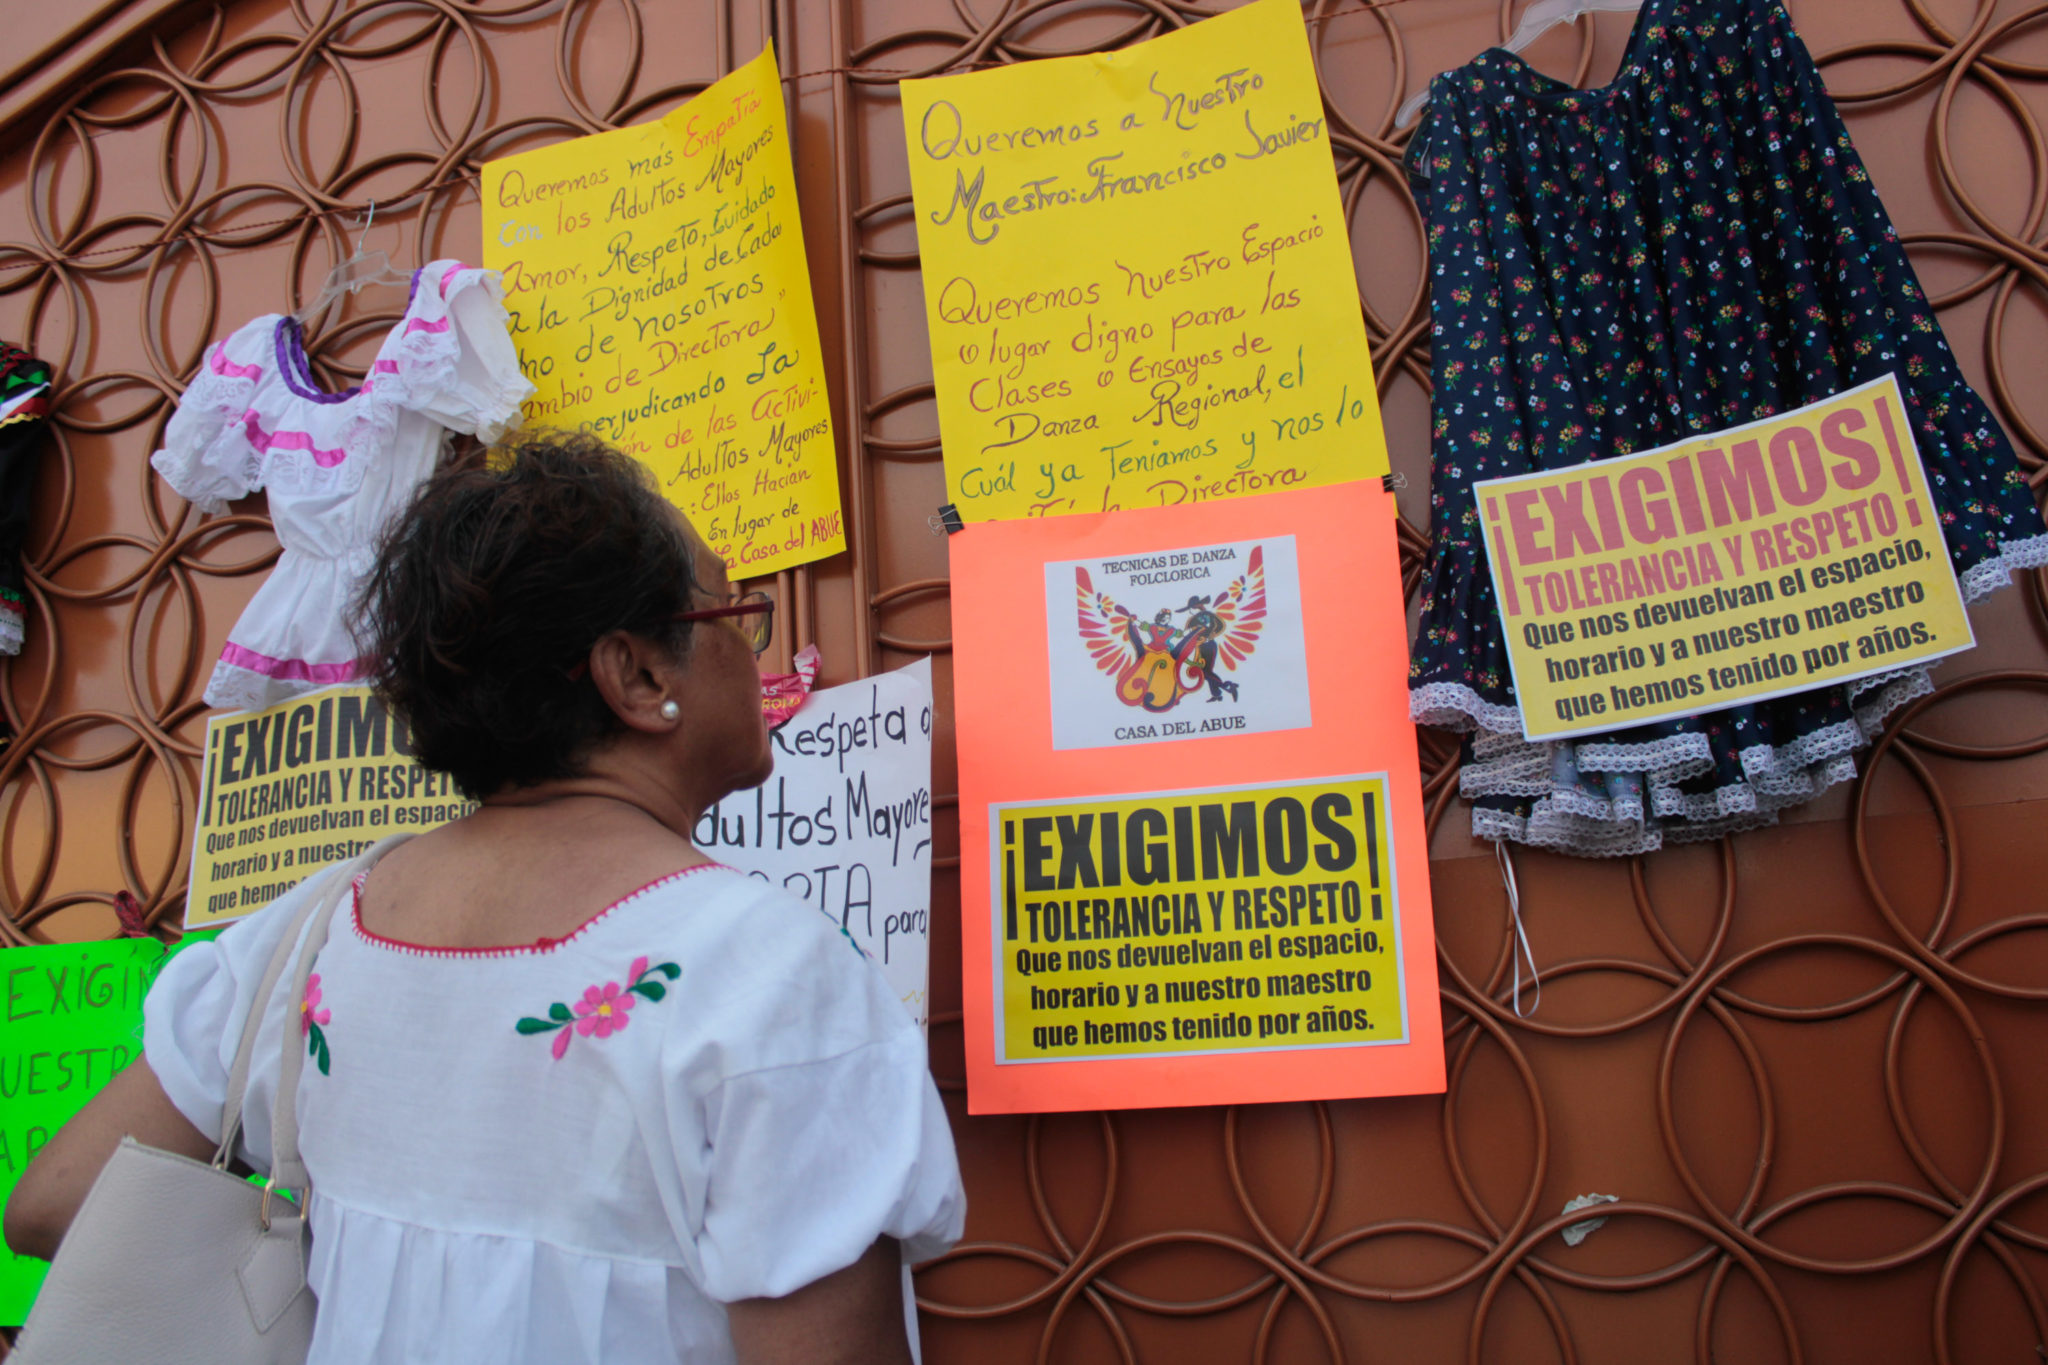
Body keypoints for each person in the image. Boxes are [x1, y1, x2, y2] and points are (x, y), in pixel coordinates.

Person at [5, 430, 966, 1364]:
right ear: (634, 673)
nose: (759, 651)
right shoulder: (767, 972)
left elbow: (53, 1200)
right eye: (731, 616)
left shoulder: (312, 935)